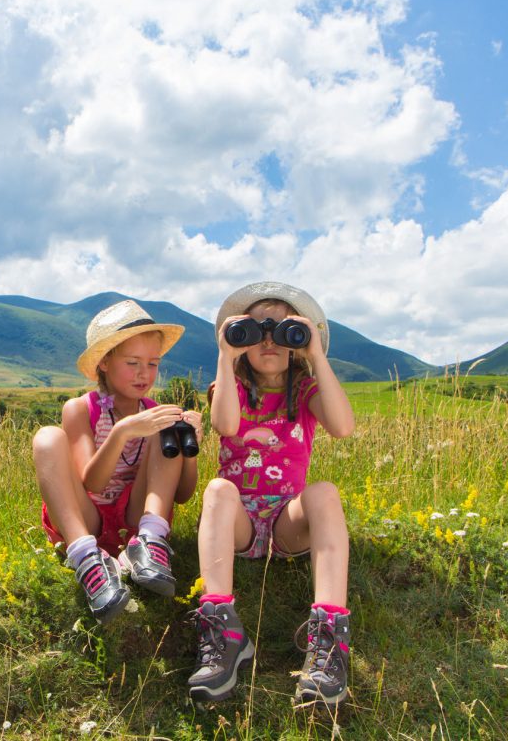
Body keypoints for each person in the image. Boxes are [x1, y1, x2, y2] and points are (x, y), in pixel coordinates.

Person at [187, 282, 355, 708]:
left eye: (282, 330)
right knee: (218, 488)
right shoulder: (232, 388)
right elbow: (226, 425)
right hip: (239, 521)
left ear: (297, 341)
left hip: (286, 522)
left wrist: (316, 356)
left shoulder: (305, 391)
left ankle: (329, 640)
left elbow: (342, 427)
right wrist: (226, 358)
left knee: (325, 493)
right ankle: (221, 628)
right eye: (256, 329)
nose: (268, 339)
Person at [33, 300, 202, 624]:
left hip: (137, 519)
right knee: (47, 437)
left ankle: (150, 544)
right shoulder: (83, 409)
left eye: (153, 364)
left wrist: (189, 447)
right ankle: (85, 557)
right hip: (89, 518)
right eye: (133, 362)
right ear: (105, 363)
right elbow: (91, 482)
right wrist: (122, 431)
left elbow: (181, 495)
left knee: (163, 423)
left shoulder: (153, 409)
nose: (144, 373)